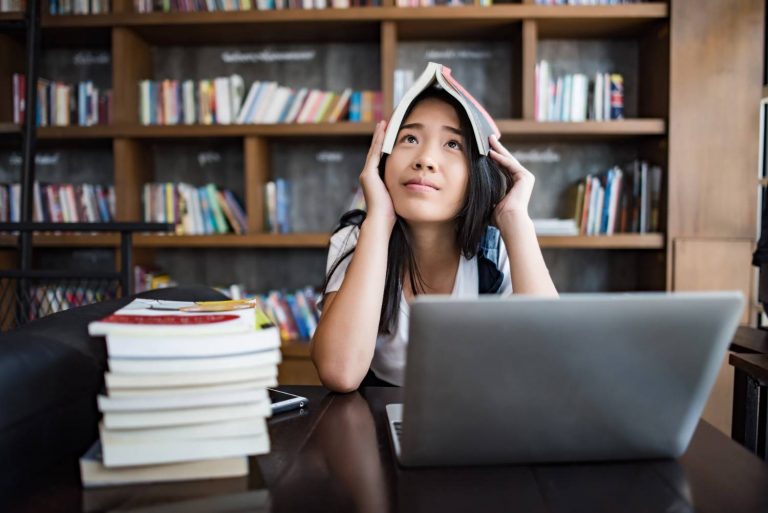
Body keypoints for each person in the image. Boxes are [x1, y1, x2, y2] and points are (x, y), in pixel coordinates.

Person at [311, 87, 558, 393]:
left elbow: (552, 365)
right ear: (381, 158)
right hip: (378, 418)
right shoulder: (357, 237)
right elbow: (340, 372)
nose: (425, 159)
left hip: (480, 415)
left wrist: (515, 219)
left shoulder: (495, 248)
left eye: (453, 144)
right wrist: (379, 219)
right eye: (410, 139)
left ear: (478, 171)